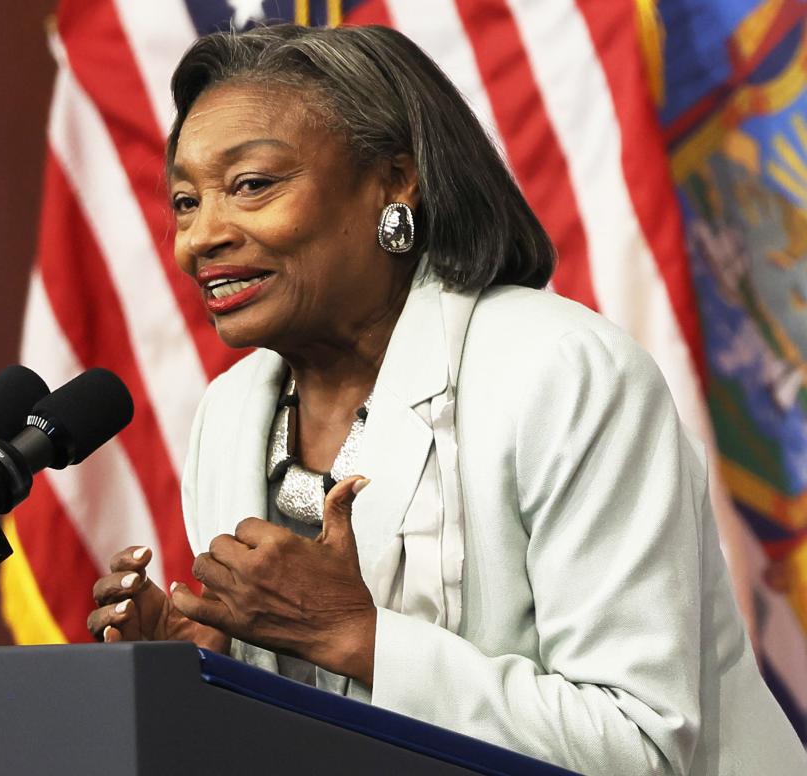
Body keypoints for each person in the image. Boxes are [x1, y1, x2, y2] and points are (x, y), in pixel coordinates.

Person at [86, 24, 805, 775]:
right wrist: (207, 675)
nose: (201, 237)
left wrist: (360, 637)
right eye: (185, 201)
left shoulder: (562, 372)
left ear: (396, 181)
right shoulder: (231, 414)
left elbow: (637, 746)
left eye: (252, 186)